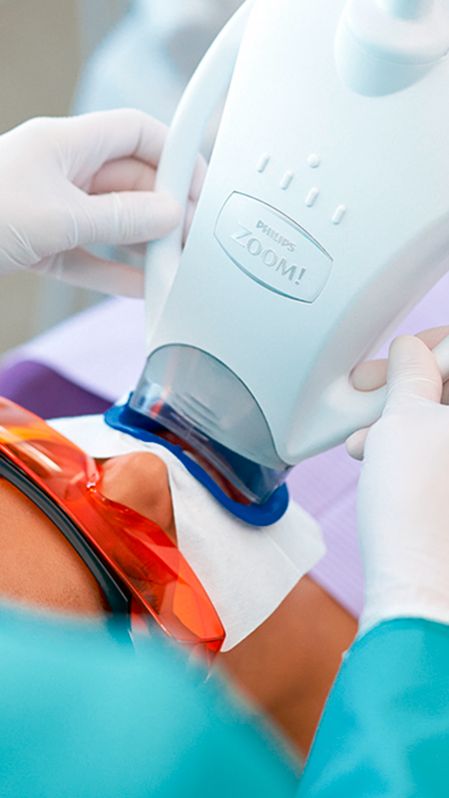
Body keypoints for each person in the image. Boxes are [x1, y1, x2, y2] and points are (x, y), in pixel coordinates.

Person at [1, 110, 449, 797]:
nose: (145, 474)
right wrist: (417, 627)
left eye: (26, 464)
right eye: (132, 585)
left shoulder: (57, 384)